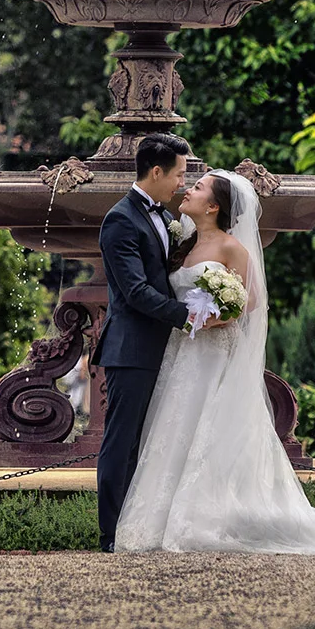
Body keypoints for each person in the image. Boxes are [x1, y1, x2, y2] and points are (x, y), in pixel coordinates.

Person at [113, 169, 315, 554]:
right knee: (171, 427)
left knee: (209, 429)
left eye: (199, 187)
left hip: (213, 351)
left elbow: (248, 301)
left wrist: (211, 318)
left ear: (214, 206)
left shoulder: (232, 247)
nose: (189, 188)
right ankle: (154, 519)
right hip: (180, 351)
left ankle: (205, 517)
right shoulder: (182, 241)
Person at [91, 132, 194, 553]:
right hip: (131, 351)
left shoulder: (159, 215)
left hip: (159, 349)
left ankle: (138, 529)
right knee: (122, 443)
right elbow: (134, 292)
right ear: (157, 171)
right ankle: (111, 536)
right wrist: (189, 316)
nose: (182, 184)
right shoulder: (121, 220)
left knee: (148, 443)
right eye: (179, 175)